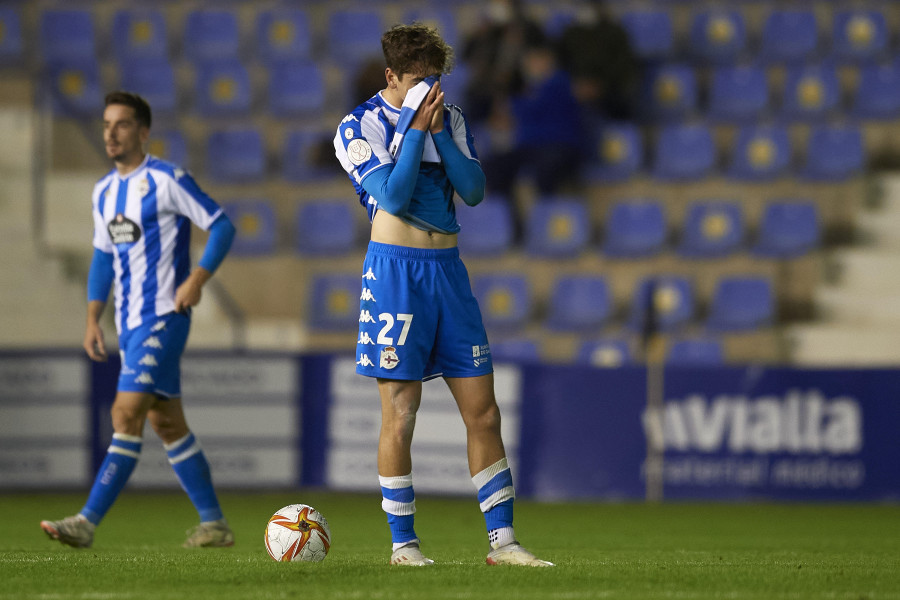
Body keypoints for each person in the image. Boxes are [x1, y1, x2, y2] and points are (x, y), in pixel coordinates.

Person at [333, 24, 552, 568]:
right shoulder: (357, 127)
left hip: (448, 272)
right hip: (395, 274)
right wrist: (412, 130)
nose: (431, 92)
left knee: (484, 411)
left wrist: (437, 133)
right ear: (391, 77)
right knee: (400, 412)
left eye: (437, 81)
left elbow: (475, 192)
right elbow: (393, 195)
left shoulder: (449, 118)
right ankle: (404, 545)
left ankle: (503, 543)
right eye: (418, 81)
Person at [40, 91, 237, 549]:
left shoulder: (168, 179)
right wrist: (93, 317)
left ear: (143, 132)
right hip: (128, 324)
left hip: (165, 316)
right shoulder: (103, 191)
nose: (110, 132)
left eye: (121, 124)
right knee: (167, 424)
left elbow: (222, 224)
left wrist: (197, 280)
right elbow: (103, 257)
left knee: (125, 412)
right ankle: (215, 524)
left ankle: (86, 522)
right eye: (106, 124)